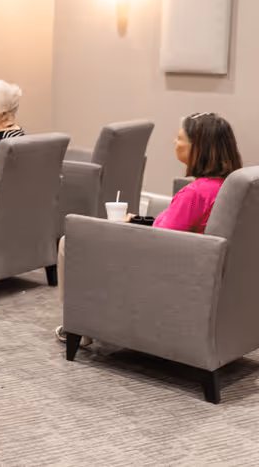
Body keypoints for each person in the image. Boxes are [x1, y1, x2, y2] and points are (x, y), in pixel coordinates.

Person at [55, 112, 243, 344]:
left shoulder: (195, 193)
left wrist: (126, 231)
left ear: (199, 148)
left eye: (179, 138)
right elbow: (179, 228)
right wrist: (138, 221)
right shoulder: (228, 185)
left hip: (164, 266)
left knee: (69, 242)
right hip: (195, 262)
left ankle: (75, 326)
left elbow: (161, 242)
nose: (175, 143)